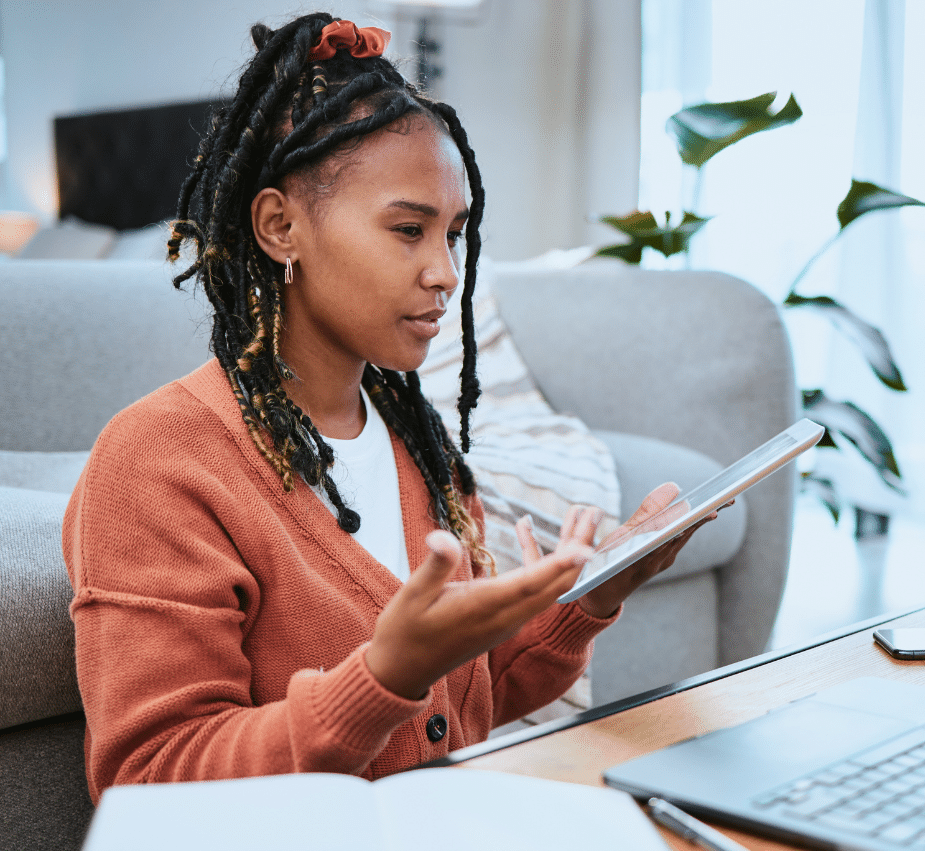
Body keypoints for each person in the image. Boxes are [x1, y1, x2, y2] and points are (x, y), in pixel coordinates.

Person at [63, 12, 712, 803]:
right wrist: (381, 675)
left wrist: (592, 598)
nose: (444, 272)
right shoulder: (158, 461)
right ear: (280, 226)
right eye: (409, 229)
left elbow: (468, 701)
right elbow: (148, 779)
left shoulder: (420, 445)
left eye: (455, 235)